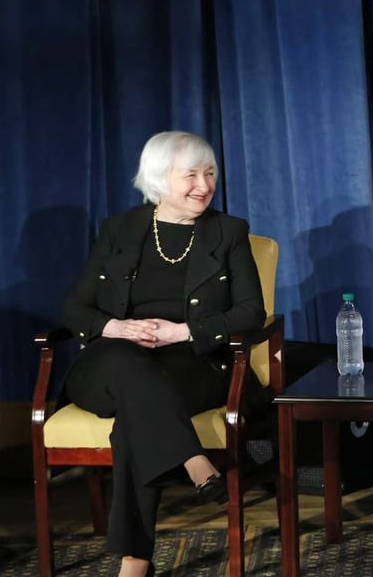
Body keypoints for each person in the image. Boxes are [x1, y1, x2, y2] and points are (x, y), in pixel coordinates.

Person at [62, 131, 267, 577]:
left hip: (191, 363)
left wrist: (183, 331)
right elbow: (75, 308)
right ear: (159, 178)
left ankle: (134, 563)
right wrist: (117, 328)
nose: (204, 185)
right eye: (190, 175)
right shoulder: (120, 230)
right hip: (109, 364)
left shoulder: (228, 232)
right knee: (125, 362)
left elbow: (252, 313)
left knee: (137, 416)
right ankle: (194, 460)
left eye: (209, 173)